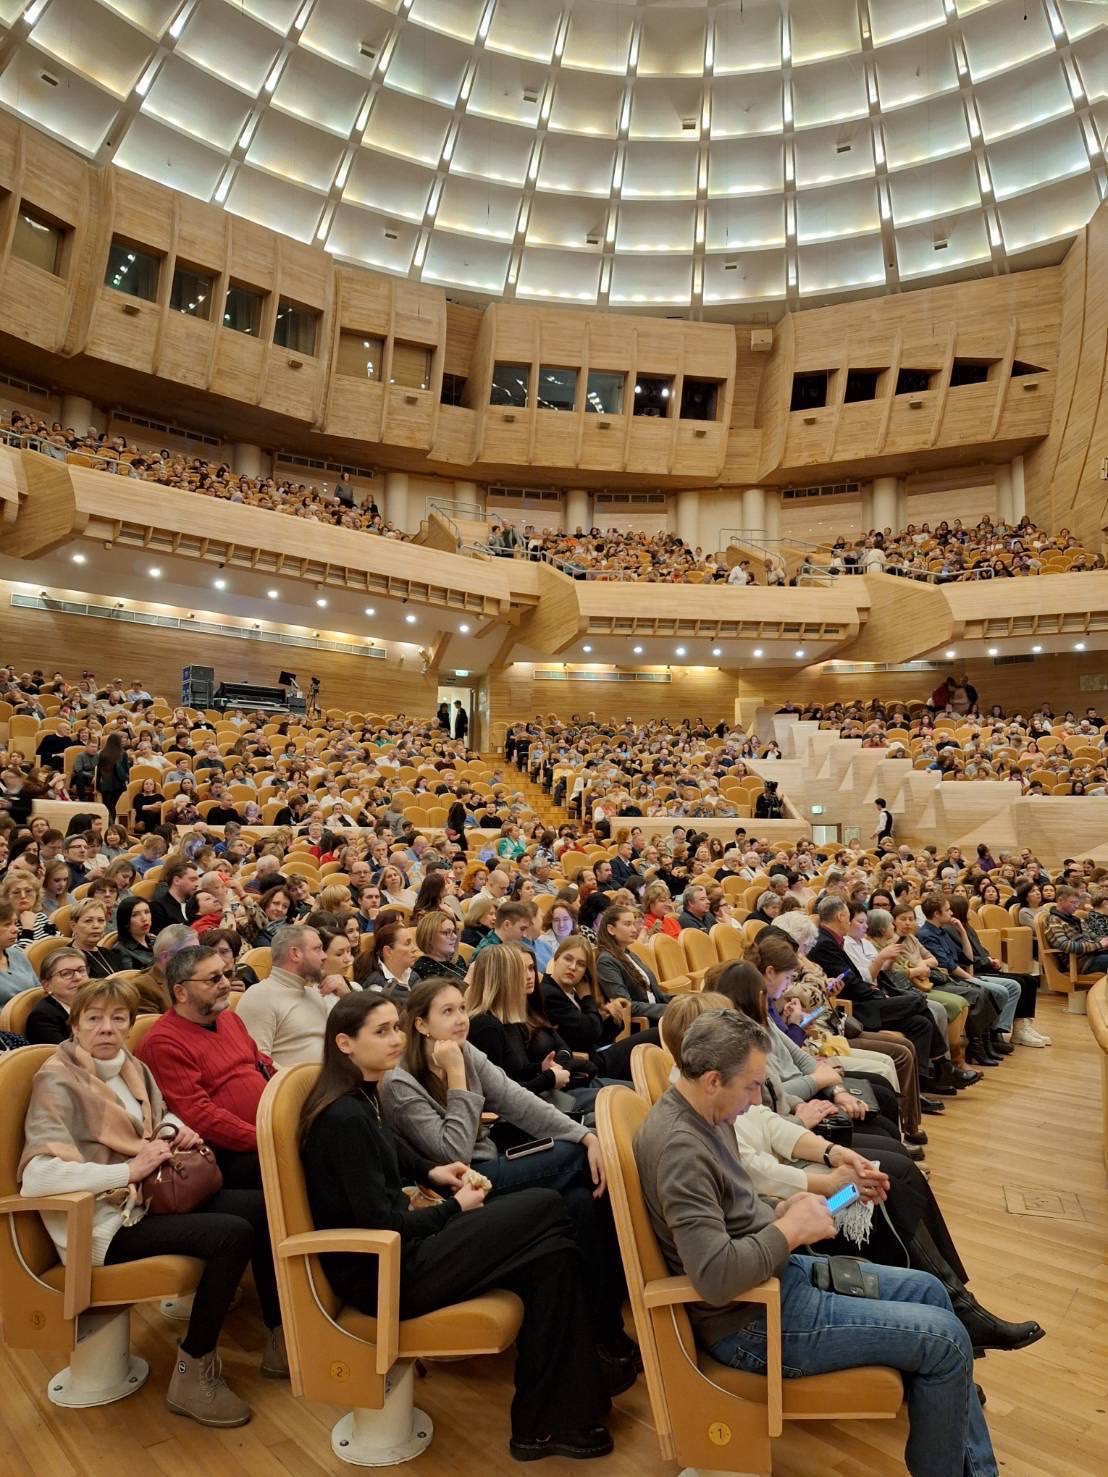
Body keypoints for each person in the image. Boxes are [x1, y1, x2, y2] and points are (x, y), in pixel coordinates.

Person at [634, 1009, 1001, 1477]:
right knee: (947, 1341)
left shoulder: (706, 1113)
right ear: (711, 1079)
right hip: (750, 1321)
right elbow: (714, 1277)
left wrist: (782, 1213)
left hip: (774, 1285)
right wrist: (788, 1231)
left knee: (929, 1291)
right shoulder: (681, 1149)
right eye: (750, 1087)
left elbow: (734, 1218)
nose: (754, 1101)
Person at [300, 991, 615, 1462]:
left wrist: (431, 1172)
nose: (395, 1040)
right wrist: (456, 1207)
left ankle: (551, 1424)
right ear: (344, 1043)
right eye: (381, 1032)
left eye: (396, 1028)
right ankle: (593, 1368)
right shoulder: (345, 1115)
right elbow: (379, 1222)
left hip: (405, 1247)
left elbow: (394, 1154)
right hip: (387, 1272)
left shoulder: (361, 1094)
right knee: (549, 1205)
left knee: (555, 1257)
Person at [19, 976, 285, 1426]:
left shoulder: (130, 1067)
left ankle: (279, 1334)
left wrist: (173, 1129)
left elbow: (151, 1121)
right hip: (102, 1222)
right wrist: (129, 1170)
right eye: (95, 1019)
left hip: (146, 1201)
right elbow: (37, 1177)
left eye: (118, 1019)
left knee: (260, 1206)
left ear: (127, 1026)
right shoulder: (57, 1082)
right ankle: (193, 1369)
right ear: (74, 1025)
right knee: (231, 1235)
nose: (107, 1028)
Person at [380, 977, 637, 1387]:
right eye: (447, 1012)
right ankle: (609, 1329)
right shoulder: (399, 1083)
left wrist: (586, 1135)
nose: (461, 1019)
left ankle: (603, 1333)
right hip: (456, 1191)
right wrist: (457, 1077)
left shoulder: (466, 1051)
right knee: (577, 1159)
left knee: (581, 1201)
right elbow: (455, 1154)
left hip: (494, 1169)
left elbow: (519, 1102)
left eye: (462, 1008)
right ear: (421, 1025)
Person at [137, 945, 275, 1189]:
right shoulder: (162, 1043)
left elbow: (264, 1067)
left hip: (269, 1128)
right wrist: (267, 1138)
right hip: (226, 1153)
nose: (225, 984)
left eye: (225, 974)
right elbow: (200, 1116)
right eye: (213, 979)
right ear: (180, 992)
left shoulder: (229, 1019)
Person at [541, 934, 659, 1081]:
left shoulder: (571, 992)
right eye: (568, 959)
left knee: (654, 1042)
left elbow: (604, 1034)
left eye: (581, 964)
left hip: (599, 1053)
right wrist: (587, 998)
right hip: (586, 1065)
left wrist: (611, 1015)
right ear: (556, 959)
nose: (572, 967)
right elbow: (589, 1032)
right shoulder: (549, 993)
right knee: (656, 1035)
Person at [236, 924, 343, 1068]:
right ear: (295, 954)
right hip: (297, 1088)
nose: (324, 956)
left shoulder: (315, 994)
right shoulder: (259, 996)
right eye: (317, 949)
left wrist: (346, 995)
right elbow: (259, 1063)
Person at [595, 903, 671, 1022]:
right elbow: (626, 1005)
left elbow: (657, 995)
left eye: (633, 924)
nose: (634, 929)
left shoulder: (630, 954)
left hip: (658, 1012)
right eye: (627, 924)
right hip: (644, 1022)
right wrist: (669, 1010)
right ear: (611, 929)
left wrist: (681, 1001)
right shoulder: (606, 961)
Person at [24, 947, 89, 1045]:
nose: (78, 977)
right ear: (47, 985)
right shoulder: (42, 1017)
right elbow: (67, 1056)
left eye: (81, 970)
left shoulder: (97, 1002)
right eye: (66, 973)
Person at [354, 916, 421, 999]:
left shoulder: (413, 975)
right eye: (407, 944)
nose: (415, 949)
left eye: (412, 943)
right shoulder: (377, 989)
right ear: (388, 951)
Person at [411, 910, 467, 982]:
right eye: (447, 932)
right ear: (429, 937)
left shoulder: (459, 960)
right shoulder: (422, 968)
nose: (454, 937)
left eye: (454, 931)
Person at [0, 899, 38, 1002]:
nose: (15, 929)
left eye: (15, 923)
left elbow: (38, 991)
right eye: (7, 924)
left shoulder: (17, 954)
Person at [150, 861, 199, 934]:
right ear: (176, 880)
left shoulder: (193, 904)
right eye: (192, 880)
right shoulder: (158, 907)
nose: (197, 884)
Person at [113, 894, 155, 972]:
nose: (144, 918)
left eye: (146, 912)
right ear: (125, 921)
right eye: (135, 915)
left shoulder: (154, 939)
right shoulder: (120, 951)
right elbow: (132, 979)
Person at [95, 732, 130, 821]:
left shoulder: (102, 753)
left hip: (105, 784)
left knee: (108, 806)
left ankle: (109, 823)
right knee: (113, 806)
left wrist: (97, 785)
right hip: (118, 784)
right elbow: (126, 770)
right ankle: (111, 823)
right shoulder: (123, 754)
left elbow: (99, 770)